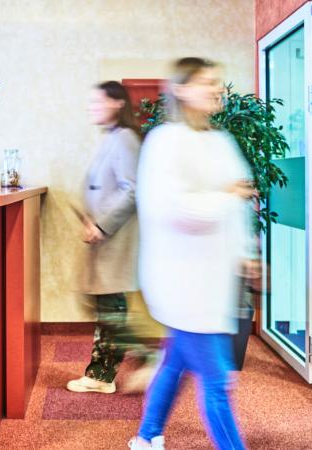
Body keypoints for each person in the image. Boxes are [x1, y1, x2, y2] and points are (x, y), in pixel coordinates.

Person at [129, 57, 256, 449]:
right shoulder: (164, 142)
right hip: (180, 281)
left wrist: (246, 252)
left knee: (175, 362)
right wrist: (227, 196)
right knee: (217, 381)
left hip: (212, 279)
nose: (216, 88)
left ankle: (147, 436)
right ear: (181, 90)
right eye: (205, 82)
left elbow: (240, 201)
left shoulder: (221, 141)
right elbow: (175, 210)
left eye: (218, 81)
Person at [66, 81, 141, 394]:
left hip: (115, 238)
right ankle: (106, 371)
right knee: (105, 305)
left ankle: (107, 373)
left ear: (118, 103)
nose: (91, 107)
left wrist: (101, 225)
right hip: (104, 238)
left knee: (110, 308)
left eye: (97, 102)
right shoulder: (112, 138)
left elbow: (132, 189)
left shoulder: (124, 139)